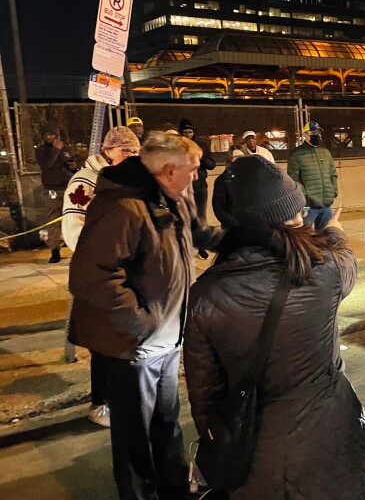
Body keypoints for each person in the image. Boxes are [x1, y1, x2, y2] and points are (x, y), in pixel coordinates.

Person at [184, 155, 365, 499]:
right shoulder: (324, 271)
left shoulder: (204, 297)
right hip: (337, 441)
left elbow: (205, 398)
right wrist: (334, 231)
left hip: (255, 460)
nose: (304, 217)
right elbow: (346, 259)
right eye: (297, 212)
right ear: (283, 220)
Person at [68, 131, 218, 500]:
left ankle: (173, 490)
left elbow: (200, 234)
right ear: (169, 170)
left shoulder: (170, 199)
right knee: (135, 435)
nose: (197, 177)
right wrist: (143, 323)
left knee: (166, 424)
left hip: (165, 340)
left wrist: (250, 236)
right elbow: (91, 277)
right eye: (193, 170)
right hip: (134, 346)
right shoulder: (123, 207)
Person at [61, 126, 141, 428]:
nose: (130, 157)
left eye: (134, 152)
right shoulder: (83, 183)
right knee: (102, 340)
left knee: (120, 337)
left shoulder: (124, 179)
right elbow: (74, 231)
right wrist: (112, 250)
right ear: (108, 151)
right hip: (98, 273)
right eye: (125, 151)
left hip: (121, 271)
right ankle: (100, 402)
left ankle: (119, 396)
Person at [35, 122, 78, 263]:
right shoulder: (42, 150)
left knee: (73, 217)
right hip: (52, 189)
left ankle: (77, 247)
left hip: (68, 188)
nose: (48, 137)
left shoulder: (65, 148)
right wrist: (55, 150)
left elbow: (71, 164)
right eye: (46, 135)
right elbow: (47, 165)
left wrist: (73, 167)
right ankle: (55, 251)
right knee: (53, 219)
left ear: (56, 135)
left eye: (51, 134)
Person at [287, 121, 337, 229]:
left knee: (326, 235)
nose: (317, 136)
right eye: (313, 133)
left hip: (326, 204)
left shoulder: (325, 152)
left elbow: (333, 174)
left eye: (318, 133)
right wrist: (305, 197)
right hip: (308, 207)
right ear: (305, 135)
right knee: (305, 236)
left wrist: (333, 191)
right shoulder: (296, 154)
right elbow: (293, 180)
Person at [180, 119, 216, 259]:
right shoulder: (178, 146)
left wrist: (198, 157)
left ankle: (201, 246)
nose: (188, 135)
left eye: (190, 132)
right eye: (185, 132)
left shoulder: (202, 145)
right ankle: (187, 247)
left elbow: (211, 164)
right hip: (183, 186)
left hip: (200, 186)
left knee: (201, 217)